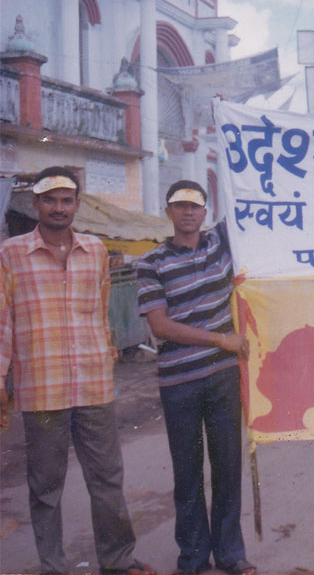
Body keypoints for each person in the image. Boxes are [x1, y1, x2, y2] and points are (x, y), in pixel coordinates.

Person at [0, 167, 154, 575]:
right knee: (45, 487)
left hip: (94, 385)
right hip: (42, 387)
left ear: (76, 205)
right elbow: (2, 322)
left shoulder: (96, 250)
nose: (58, 208)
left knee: (107, 478)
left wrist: (106, 354)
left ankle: (117, 560)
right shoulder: (10, 254)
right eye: (50, 200)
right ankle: (53, 566)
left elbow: (101, 313)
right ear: (36, 203)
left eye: (66, 200)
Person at [136, 181, 255, 575]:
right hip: (179, 382)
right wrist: (220, 339)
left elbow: (250, 203)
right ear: (168, 211)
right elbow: (160, 325)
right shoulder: (151, 263)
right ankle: (192, 557)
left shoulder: (220, 244)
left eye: (195, 206)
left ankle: (230, 554)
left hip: (222, 377)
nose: (188, 212)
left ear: (205, 212)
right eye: (180, 206)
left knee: (227, 467)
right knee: (187, 473)